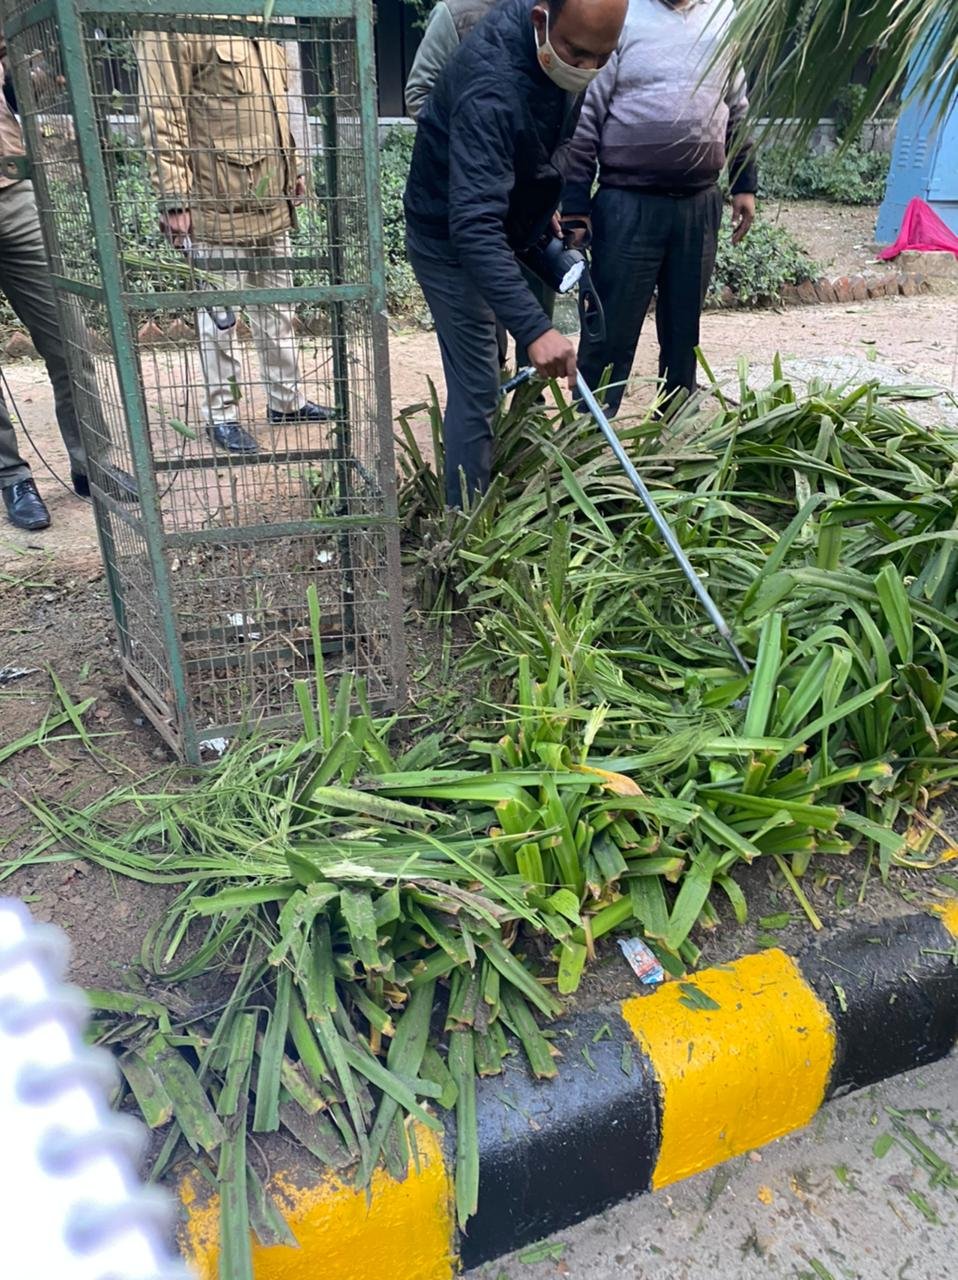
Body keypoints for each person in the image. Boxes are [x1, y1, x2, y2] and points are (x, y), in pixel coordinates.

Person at [403, 0, 626, 509]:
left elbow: (541, 141)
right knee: (479, 383)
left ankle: (495, 472)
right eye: (575, 52)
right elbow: (473, 227)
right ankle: (465, 531)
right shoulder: (492, 84)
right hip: (447, 235)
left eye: (602, 58)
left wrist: (536, 207)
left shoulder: (562, 52)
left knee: (497, 365)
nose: (587, 69)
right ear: (540, 18)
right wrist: (536, 329)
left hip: (500, 219)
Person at [136, 30, 333, 454]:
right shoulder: (174, 21)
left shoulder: (258, 15)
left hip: (271, 199)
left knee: (278, 306)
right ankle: (221, 415)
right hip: (215, 204)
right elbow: (161, 111)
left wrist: (294, 170)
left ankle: (286, 401)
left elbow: (279, 107)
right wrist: (173, 197)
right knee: (220, 321)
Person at [563, 0, 758, 416]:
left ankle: (674, 436)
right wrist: (575, 205)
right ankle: (588, 437)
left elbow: (736, 107)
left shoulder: (724, 16)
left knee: (684, 331)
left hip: (699, 205)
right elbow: (586, 116)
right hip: (627, 204)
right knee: (609, 331)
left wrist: (744, 183)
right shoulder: (620, 14)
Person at [405, 0, 559, 377]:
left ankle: (526, 418)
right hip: (469, 201)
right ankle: (494, 399)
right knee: (485, 348)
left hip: (521, 215)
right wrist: (478, 147)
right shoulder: (456, 13)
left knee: (536, 328)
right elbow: (419, 96)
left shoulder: (558, 16)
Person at [0, 40, 90, 531]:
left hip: (13, 191)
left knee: (70, 340)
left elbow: (42, 86)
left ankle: (90, 464)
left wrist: (19, 59)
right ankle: (12, 476)